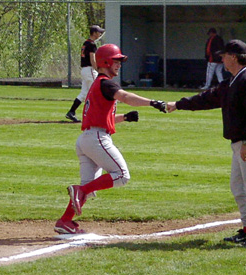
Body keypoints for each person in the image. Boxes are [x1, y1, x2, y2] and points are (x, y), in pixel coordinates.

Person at [167, 39, 246, 249]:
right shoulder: (234, 80)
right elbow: (208, 98)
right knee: (238, 187)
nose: (222, 58)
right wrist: (178, 104)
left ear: (234, 57)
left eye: (224, 55)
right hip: (242, 141)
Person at [55, 44, 166, 234]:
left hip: (86, 140)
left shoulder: (98, 85)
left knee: (88, 189)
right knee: (122, 175)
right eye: (116, 60)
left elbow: (101, 119)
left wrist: (125, 118)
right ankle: (79, 191)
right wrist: (152, 102)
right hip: (96, 139)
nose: (119, 64)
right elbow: (125, 96)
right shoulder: (106, 82)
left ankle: (65, 220)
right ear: (105, 61)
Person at [65, 25, 105, 122]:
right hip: (90, 69)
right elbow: (92, 59)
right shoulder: (91, 44)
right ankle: (95, 115)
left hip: (85, 70)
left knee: (84, 93)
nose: (100, 34)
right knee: (96, 92)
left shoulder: (85, 43)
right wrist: (99, 70)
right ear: (94, 33)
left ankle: (71, 112)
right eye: (99, 32)